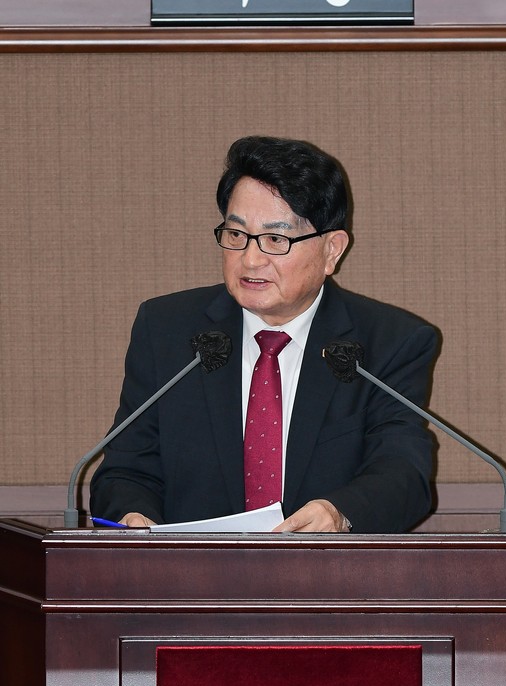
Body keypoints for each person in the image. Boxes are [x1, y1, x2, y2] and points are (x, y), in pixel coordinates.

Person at [90, 135, 438, 533]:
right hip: (189, 570)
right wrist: (132, 517)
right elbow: (124, 470)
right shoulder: (167, 330)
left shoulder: (390, 343)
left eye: (275, 239)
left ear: (332, 250)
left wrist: (339, 513)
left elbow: (403, 473)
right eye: (236, 235)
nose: (250, 258)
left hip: (326, 569)